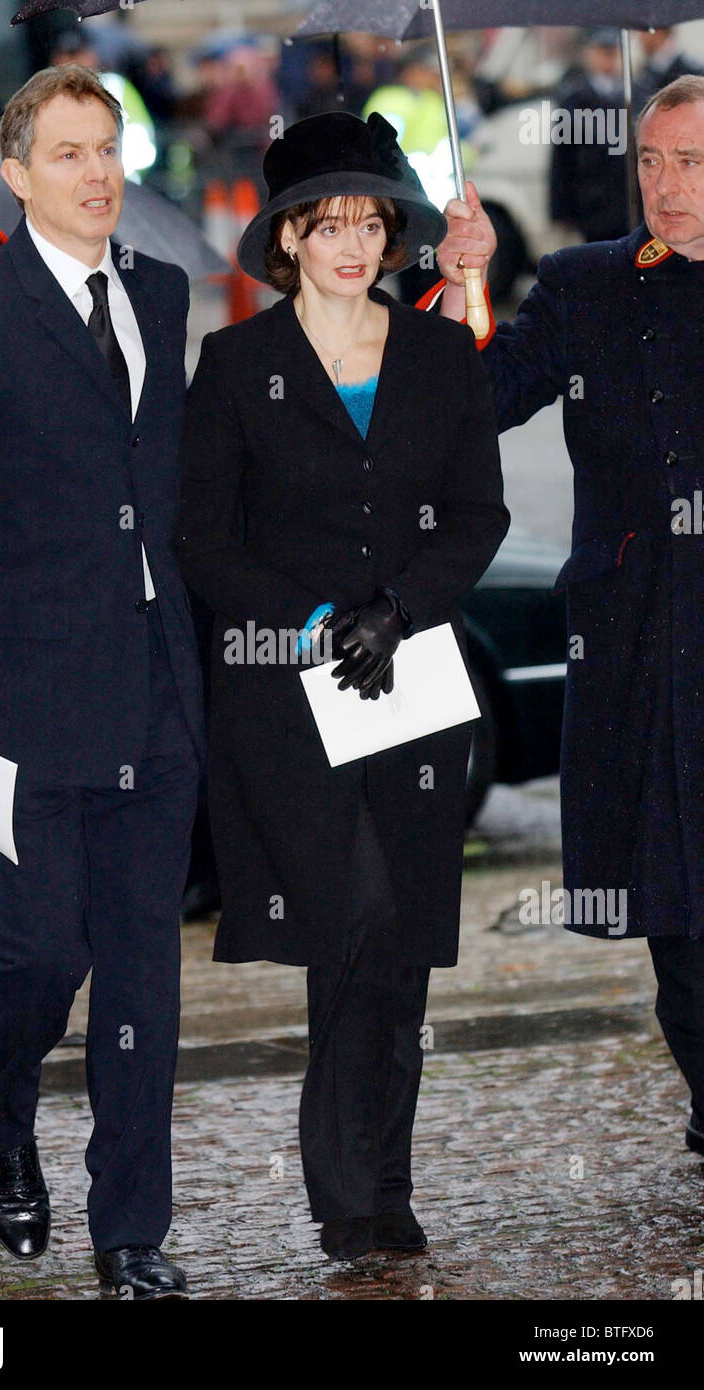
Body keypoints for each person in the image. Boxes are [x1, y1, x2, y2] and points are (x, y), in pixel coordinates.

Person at [0, 66, 204, 1299]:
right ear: (16, 177)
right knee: (28, 954)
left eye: (108, 150)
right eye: (68, 153)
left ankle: (131, 1234)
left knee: (138, 980)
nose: (98, 173)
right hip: (5, 707)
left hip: (150, 700)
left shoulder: (161, 296)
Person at [176, 111, 509, 1262]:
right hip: (287, 700)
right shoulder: (235, 365)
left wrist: (401, 608)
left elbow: (480, 513)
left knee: (403, 939)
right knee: (355, 919)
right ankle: (347, 1191)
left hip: (414, 684)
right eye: (329, 225)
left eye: (371, 220)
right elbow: (204, 542)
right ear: (289, 241)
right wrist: (315, 621)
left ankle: (385, 1184)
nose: (354, 242)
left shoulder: (437, 356)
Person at [433, 74, 704, 1164]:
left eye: (689, 164)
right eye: (651, 162)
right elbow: (475, 401)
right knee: (678, 908)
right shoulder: (590, 286)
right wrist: (464, 285)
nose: (665, 186)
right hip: (638, 634)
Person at [550, 28, 629, 243]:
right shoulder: (574, 100)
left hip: (628, 206)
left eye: (613, 52)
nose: (608, 59)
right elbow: (561, 160)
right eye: (602, 51)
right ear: (589, 54)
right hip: (593, 206)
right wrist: (561, 212)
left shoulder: (635, 93)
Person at [636, 28, 703, 110]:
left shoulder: (693, 70)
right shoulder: (647, 72)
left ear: (658, 32)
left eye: (643, 33)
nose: (639, 39)